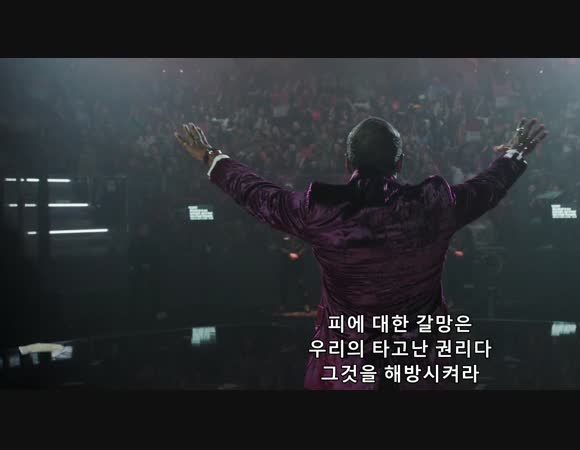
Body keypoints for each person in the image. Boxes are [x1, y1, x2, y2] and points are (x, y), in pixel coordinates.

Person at [175, 116, 547, 390]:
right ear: (399, 163)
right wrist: (514, 154)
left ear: (347, 163)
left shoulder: (321, 210)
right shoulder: (433, 205)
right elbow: (487, 187)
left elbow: (259, 195)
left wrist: (211, 157)